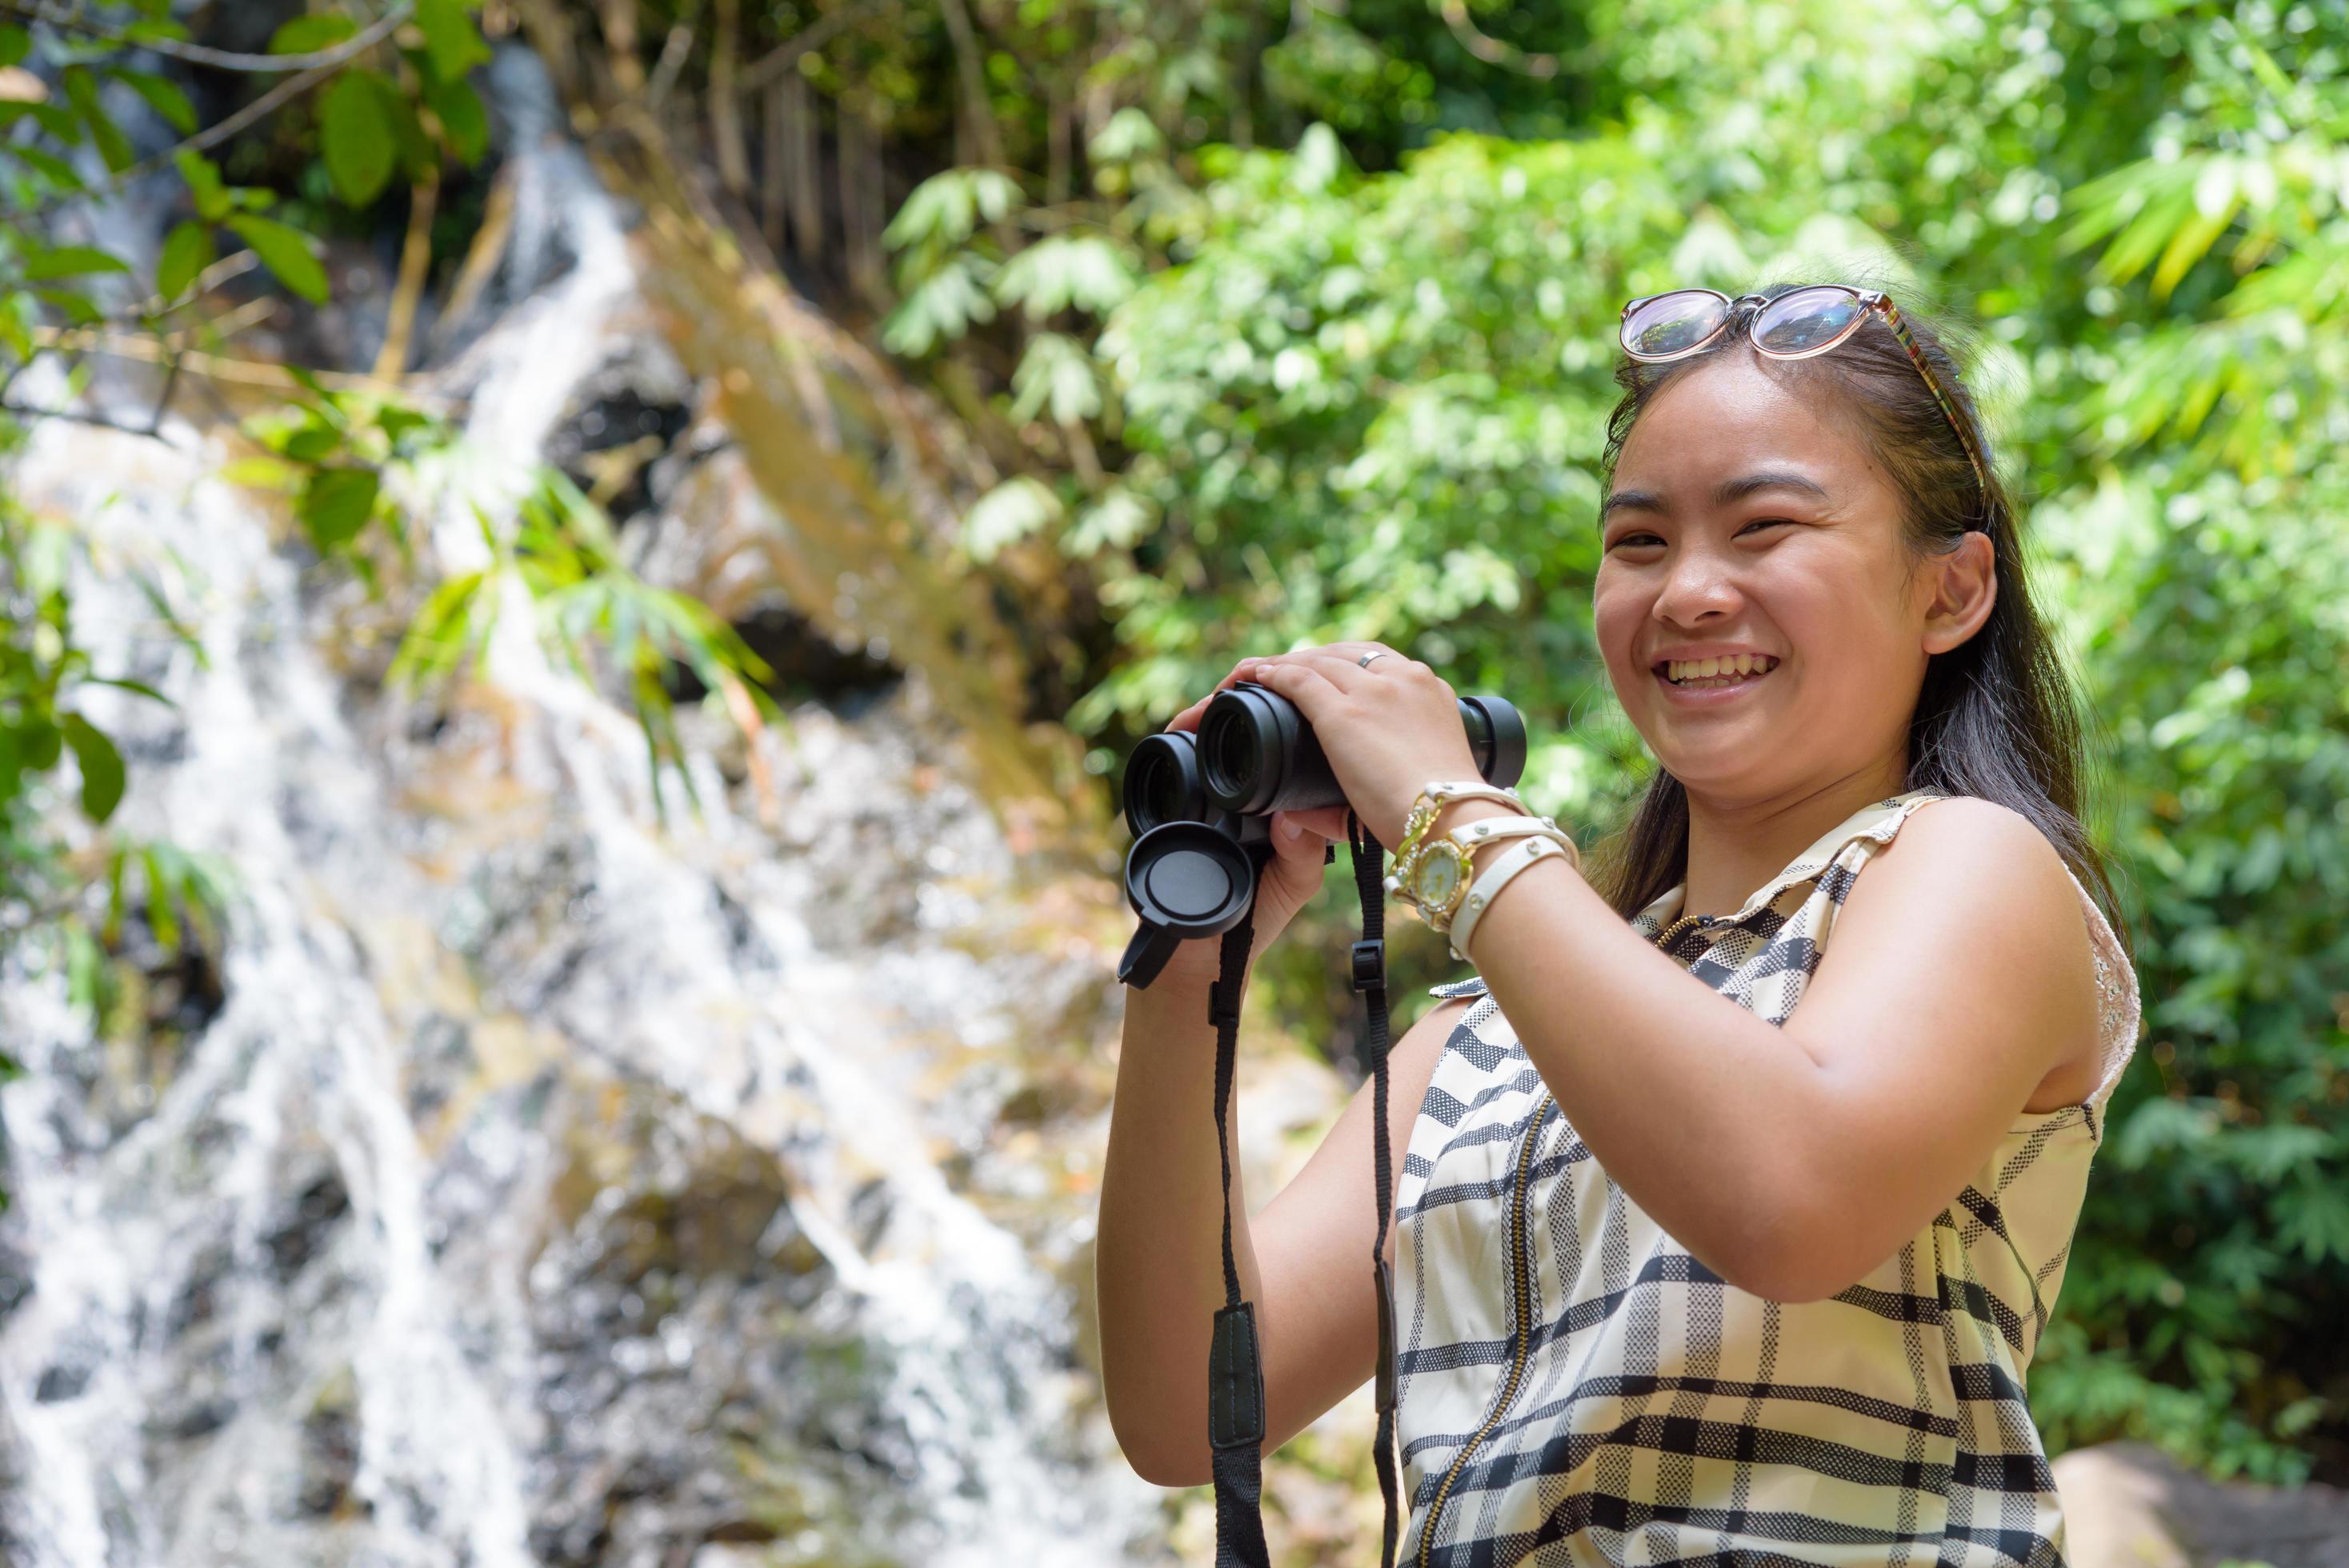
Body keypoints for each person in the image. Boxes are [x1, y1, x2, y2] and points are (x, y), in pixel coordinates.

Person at [1094, 280, 2142, 1566]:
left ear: (1952, 589)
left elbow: (1791, 1202)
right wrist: (1192, 957)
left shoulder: (1969, 866)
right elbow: (1185, 1416)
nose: (1690, 593)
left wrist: (1447, 819)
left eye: (1764, 528)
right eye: (1639, 544)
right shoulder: (1484, 1039)